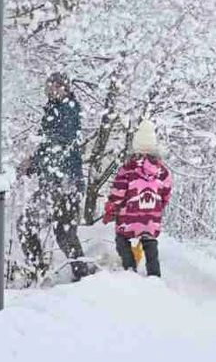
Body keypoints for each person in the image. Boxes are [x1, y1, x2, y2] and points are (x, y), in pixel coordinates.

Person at [18, 72, 93, 281]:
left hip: (63, 184)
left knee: (28, 225)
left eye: (54, 86)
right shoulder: (55, 109)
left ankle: (40, 271)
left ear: (64, 88)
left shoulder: (67, 110)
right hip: (61, 184)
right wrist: (32, 166)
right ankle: (82, 277)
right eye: (48, 86)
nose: (50, 90)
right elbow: (49, 147)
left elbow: (57, 145)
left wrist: (33, 163)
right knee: (64, 233)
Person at [102, 119, 173, 277]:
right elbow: (165, 195)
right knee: (149, 241)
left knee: (122, 239)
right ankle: (154, 275)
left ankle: (129, 270)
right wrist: (156, 209)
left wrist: (111, 209)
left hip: (129, 216)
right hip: (151, 218)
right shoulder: (163, 172)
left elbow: (117, 194)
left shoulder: (127, 169)